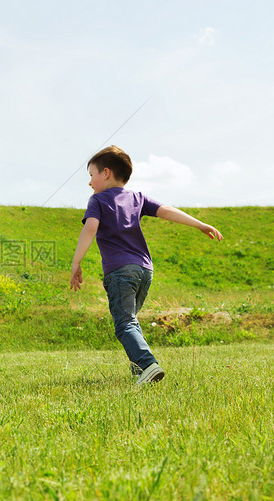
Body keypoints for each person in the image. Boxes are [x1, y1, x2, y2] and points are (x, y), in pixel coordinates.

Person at [70, 145, 223, 384]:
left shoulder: (97, 200)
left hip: (120, 272)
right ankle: (140, 371)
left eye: (91, 175)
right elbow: (167, 211)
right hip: (144, 270)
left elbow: (90, 228)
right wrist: (200, 224)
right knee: (131, 319)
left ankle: (147, 364)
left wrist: (76, 262)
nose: (90, 182)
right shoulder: (138, 198)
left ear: (106, 173)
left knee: (124, 323)